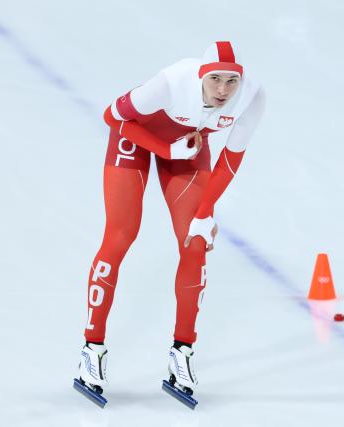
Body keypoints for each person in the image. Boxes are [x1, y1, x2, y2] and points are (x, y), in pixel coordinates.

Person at [77, 41, 265, 400]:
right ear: (200, 76)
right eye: (215, 80)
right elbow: (111, 117)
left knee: (195, 242)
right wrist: (164, 149)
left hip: (189, 150)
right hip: (134, 141)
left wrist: (206, 211)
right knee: (120, 236)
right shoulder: (172, 81)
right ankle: (92, 349)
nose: (224, 90)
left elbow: (231, 158)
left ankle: (182, 351)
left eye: (231, 81)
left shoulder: (253, 96)